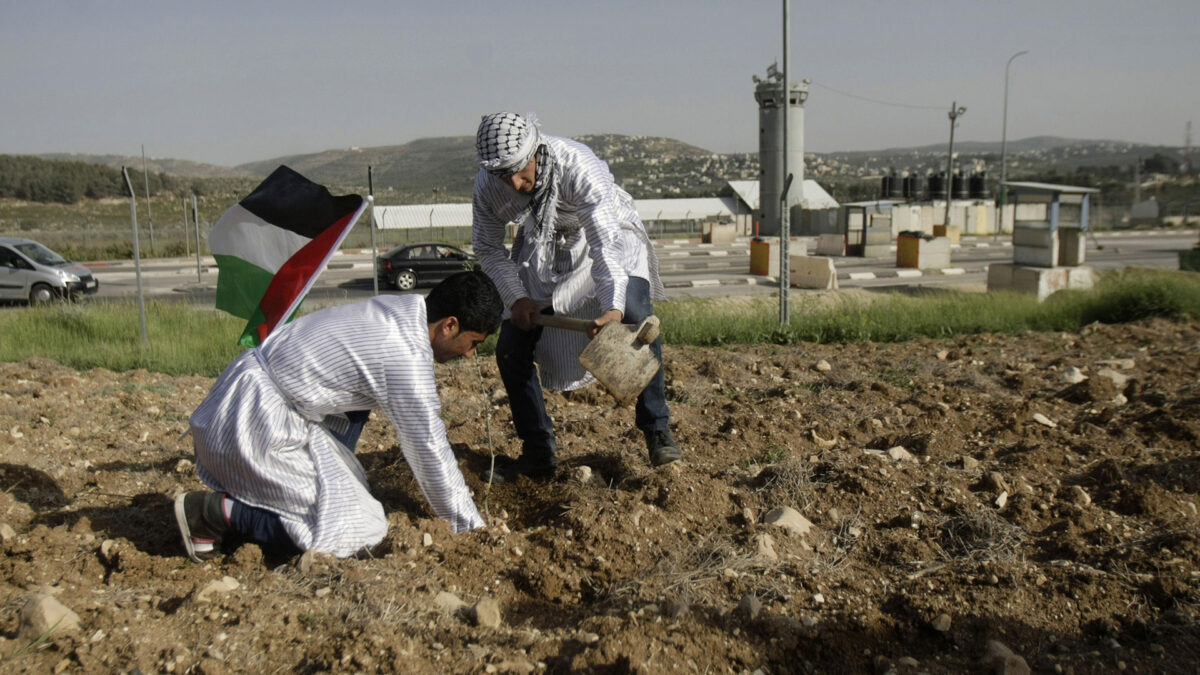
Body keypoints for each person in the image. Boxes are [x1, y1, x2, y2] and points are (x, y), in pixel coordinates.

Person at [174, 270, 504, 561]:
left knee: (350, 484)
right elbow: (429, 448)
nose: (470, 354)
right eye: (473, 343)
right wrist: (469, 526)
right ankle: (216, 514)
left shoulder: (395, 312)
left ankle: (269, 498)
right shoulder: (405, 354)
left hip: (242, 403)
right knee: (361, 528)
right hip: (250, 424)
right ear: (449, 325)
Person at [471, 111, 680, 483]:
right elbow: (487, 249)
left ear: (536, 150)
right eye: (505, 176)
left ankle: (656, 426)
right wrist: (517, 299)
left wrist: (612, 308)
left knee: (635, 311)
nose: (516, 184)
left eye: (521, 171)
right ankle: (538, 450)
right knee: (510, 348)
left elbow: (606, 247)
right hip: (543, 246)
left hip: (604, 237)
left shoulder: (578, 166)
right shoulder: (488, 186)